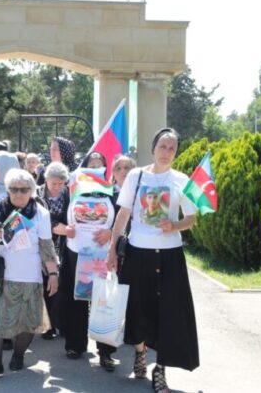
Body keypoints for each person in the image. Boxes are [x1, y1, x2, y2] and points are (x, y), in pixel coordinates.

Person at [107, 128, 199, 393]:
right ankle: (139, 352)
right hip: (138, 253)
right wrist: (112, 249)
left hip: (170, 256)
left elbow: (191, 219)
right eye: (163, 146)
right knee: (137, 308)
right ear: (153, 148)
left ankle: (161, 371)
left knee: (168, 313)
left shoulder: (182, 180)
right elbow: (123, 215)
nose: (167, 152)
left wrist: (175, 225)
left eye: (172, 148)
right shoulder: (135, 176)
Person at [0, 169, 59, 375]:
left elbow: (47, 247)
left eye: (24, 189)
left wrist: (53, 274)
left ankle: (18, 356)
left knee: (27, 320)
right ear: (8, 190)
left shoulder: (41, 213)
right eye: (14, 189)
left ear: (32, 191)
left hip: (29, 276)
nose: (19, 193)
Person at [59, 162, 119, 371]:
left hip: (102, 256)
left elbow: (124, 220)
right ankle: (75, 345)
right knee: (76, 300)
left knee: (102, 302)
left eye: (98, 165)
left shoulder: (112, 193)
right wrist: (65, 229)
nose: (93, 170)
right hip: (76, 253)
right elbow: (56, 218)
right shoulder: (70, 191)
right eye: (90, 166)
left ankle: (105, 353)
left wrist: (111, 232)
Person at [36, 161, 70, 340]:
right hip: (42, 242)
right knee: (46, 281)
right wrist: (54, 226)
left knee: (63, 282)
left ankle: (62, 324)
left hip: (64, 241)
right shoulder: (37, 194)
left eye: (60, 183)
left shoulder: (68, 193)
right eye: (53, 183)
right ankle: (47, 325)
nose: (57, 187)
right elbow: (34, 217)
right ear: (46, 180)